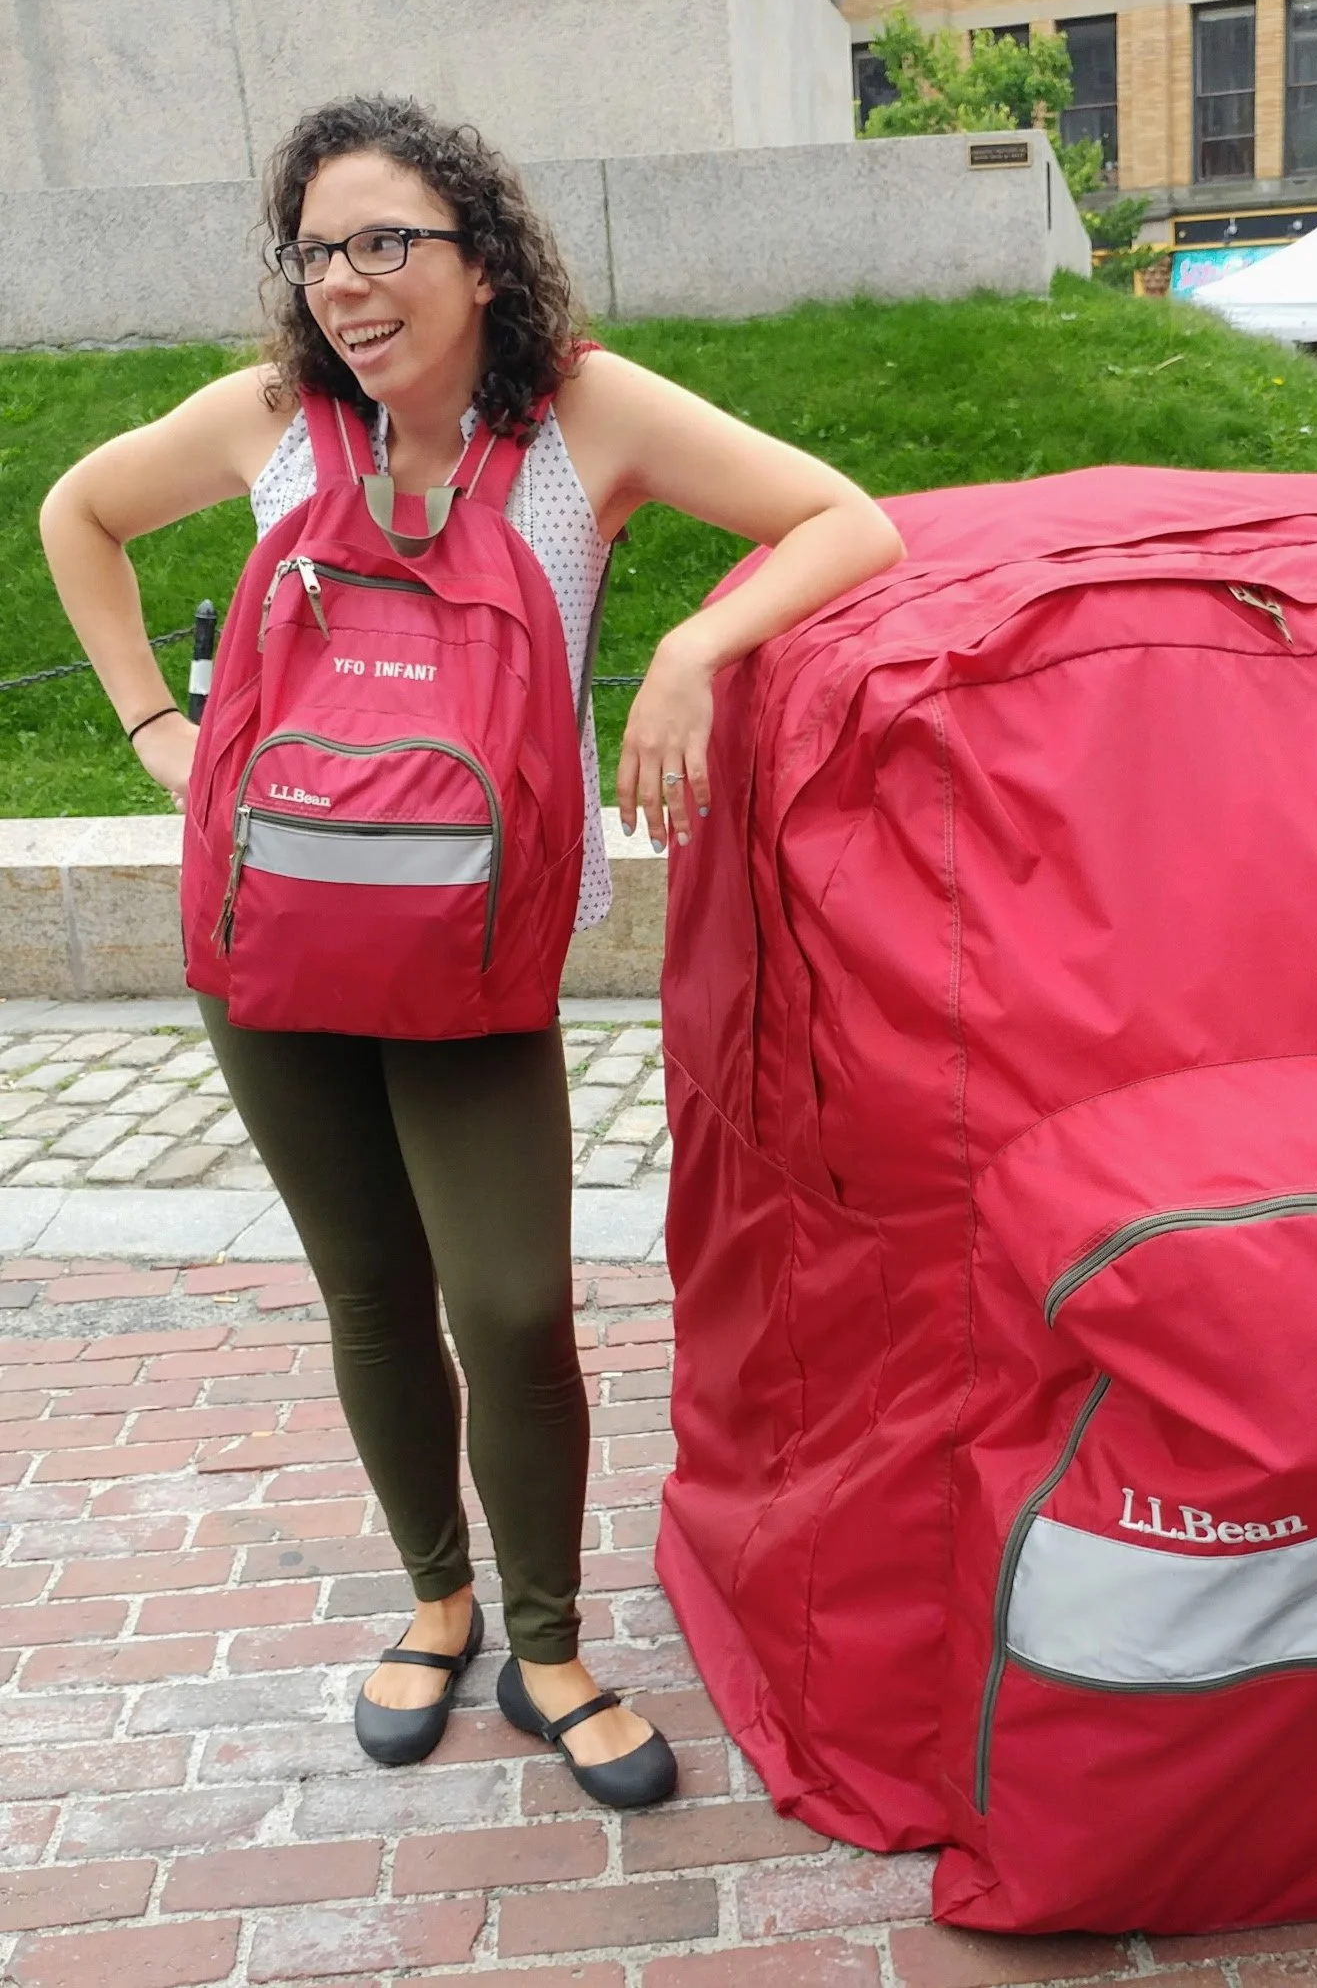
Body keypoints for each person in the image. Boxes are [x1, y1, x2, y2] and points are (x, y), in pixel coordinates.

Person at [38, 96, 902, 1804]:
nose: (346, 284)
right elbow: (80, 512)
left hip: (475, 945)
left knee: (508, 1302)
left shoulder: (582, 414)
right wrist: (158, 731)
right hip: (271, 930)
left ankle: (547, 1639)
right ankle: (437, 1597)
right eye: (316, 253)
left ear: (481, 259)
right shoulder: (277, 417)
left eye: (386, 243)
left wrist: (693, 652)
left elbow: (841, 521)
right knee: (368, 1286)